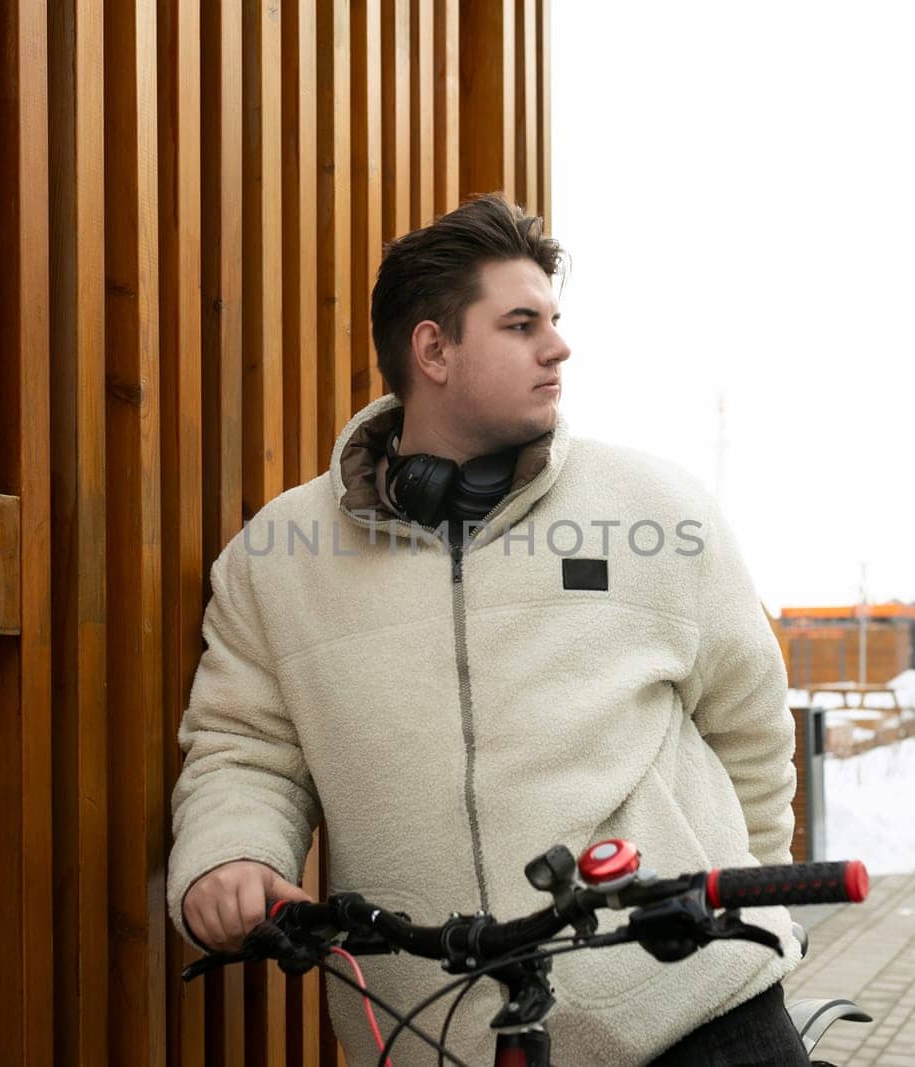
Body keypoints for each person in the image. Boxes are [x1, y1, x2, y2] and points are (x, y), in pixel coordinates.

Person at [167, 193, 807, 1065]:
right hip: (433, 1033)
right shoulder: (276, 558)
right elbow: (243, 749)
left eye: (553, 318)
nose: (559, 345)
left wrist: (746, 911)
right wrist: (228, 855)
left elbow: (752, 731)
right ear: (433, 348)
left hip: (695, 1015)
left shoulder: (662, 513)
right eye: (520, 323)